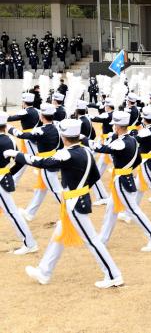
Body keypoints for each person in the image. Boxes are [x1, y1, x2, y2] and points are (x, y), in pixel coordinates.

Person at [8, 119, 124, 288]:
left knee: (92, 240)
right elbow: (94, 176)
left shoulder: (66, 154)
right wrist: (81, 190)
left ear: (63, 136)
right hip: (77, 199)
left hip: (74, 203)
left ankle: (113, 275)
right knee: (58, 236)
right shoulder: (85, 151)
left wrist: (16, 154)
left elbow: (41, 162)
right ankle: (44, 271)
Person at [91, 110, 151, 251]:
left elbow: (102, 148)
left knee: (133, 211)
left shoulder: (122, 142)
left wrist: (85, 141)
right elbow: (137, 159)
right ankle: (103, 239)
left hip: (122, 180)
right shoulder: (130, 138)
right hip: (124, 177)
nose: (113, 127)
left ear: (118, 127)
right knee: (111, 209)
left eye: (114, 126)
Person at [0, 111, 38, 255]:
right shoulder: (10, 141)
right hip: (4, 177)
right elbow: (21, 161)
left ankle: (30, 243)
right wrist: (9, 172)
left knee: (12, 213)